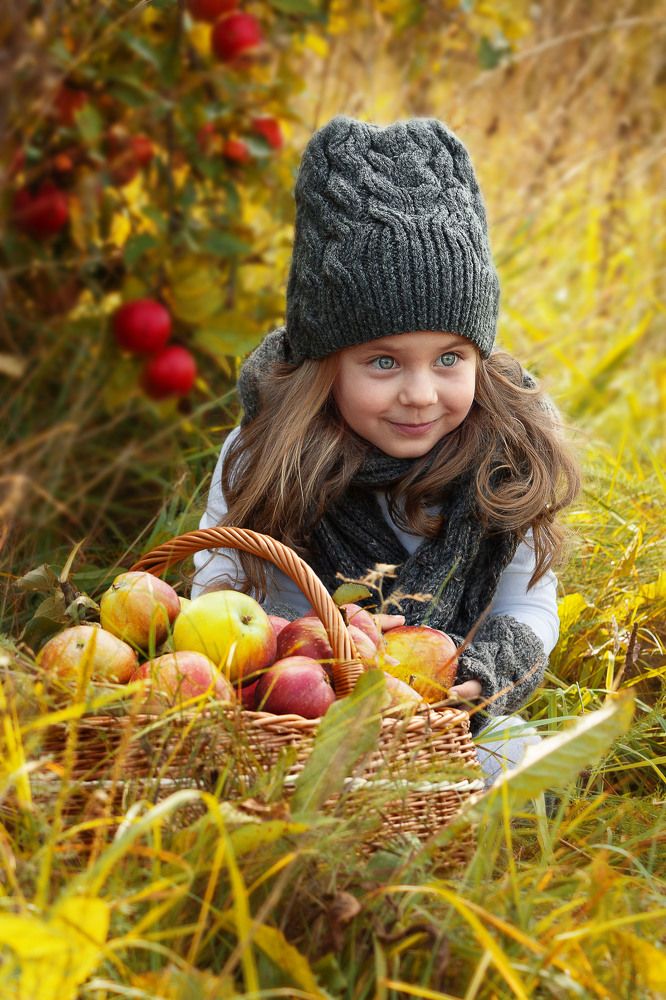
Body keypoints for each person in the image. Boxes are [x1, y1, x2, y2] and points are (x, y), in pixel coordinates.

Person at [191, 115, 581, 785]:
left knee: (519, 764)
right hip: (289, 708)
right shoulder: (267, 451)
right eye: (383, 362)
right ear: (326, 363)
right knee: (227, 769)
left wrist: (484, 678)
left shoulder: (504, 455)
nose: (421, 395)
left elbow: (527, 606)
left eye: (450, 359)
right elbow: (217, 579)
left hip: (439, 710)